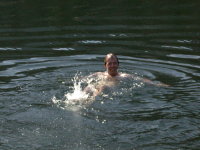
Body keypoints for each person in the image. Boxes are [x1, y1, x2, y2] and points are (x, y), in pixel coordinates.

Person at [83, 53, 168, 97]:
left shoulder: (123, 76)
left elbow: (141, 80)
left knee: (103, 87)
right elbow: (84, 79)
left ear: (118, 64)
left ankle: (89, 103)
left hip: (109, 91)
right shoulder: (99, 74)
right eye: (110, 63)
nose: (112, 66)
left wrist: (156, 84)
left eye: (114, 63)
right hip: (98, 90)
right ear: (105, 65)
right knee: (88, 88)